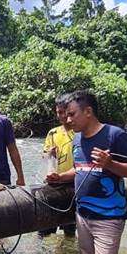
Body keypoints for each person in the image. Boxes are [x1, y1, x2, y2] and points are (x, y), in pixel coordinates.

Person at [45, 90, 127, 254]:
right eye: (66, 114)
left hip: (108, 218)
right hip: (82, 216)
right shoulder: (78, 138)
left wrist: (110, 164)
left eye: (72, 114)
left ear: (88, 112)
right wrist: (61, 177)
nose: (68, 119)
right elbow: (80, 169)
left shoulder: (115, 135)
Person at [38, 93, 76, 238]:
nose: (60, 116)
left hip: (72, 183)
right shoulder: (53, 133)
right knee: (45, 229)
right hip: (54, 182)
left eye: (63, 112)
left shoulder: (78, 132)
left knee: (70, 228)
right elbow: (43, 155)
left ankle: (66, 251)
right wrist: (49, 153)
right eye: (58, 112)